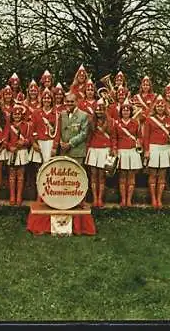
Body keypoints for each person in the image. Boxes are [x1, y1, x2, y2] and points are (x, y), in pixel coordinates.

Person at [53, 92, 95, 234]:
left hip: (76, 151)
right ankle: (66, 202)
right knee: (65, 179)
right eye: (67, 102)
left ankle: (79, 202)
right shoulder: (62, 114)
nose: (69, 104)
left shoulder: (84, 116)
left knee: (78, 178)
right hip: (63, 151)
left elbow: (84, 134)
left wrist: (70, 144)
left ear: (76, 102)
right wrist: (59, 145)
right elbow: (58, 131)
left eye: (71, 102)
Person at [144, 95, 170, 209]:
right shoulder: (149, 119)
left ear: (165, 107)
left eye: (162, 105)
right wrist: (146, 150)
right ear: (155, 107)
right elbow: (146, 136)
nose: (160, 107)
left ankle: (159, 199)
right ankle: (153, 199)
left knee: (162, 175)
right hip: (153, 148)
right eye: (158, 105)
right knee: (153, 174)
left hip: (165, 148)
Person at [86, 98, 116, 208]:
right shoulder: (91, 121)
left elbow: (113, 137)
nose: (99, 112)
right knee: (94, 175)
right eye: (97, 110)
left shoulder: (111, 121)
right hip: (93, 149)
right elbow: (88, 137)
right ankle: (94, 199)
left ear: (104, 110)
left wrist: (114, 148)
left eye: (101, 110)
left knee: (102, 175)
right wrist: (87, 149)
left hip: (105, 149)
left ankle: (100, 199)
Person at [114, 98, 143, 207]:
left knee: (131, 176)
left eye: (128, 110)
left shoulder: (135, 123)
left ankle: (129, 200)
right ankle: (123, 199)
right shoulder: (117, 123)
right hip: (122, 151)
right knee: (122, 176)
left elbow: (139, 136)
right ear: (121, 112)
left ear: (131, 112)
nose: (125, 112)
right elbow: (114, 137)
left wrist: (139, 143)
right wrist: (115, 149)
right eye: (123, 110)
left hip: (132, 151)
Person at [7, 104, 32, 206]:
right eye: (15, 114)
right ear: (12, 115)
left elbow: (30, 139)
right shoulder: (9, 126)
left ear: (21, 115)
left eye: (18, 114)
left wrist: (24, 142)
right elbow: (5, 140)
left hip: (22, 152)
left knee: (21, 176)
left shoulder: (26, 125)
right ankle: (12, 196)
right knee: (12, 175)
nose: (17, 116)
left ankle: (19, 196)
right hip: (12, 152)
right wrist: (9, 147)